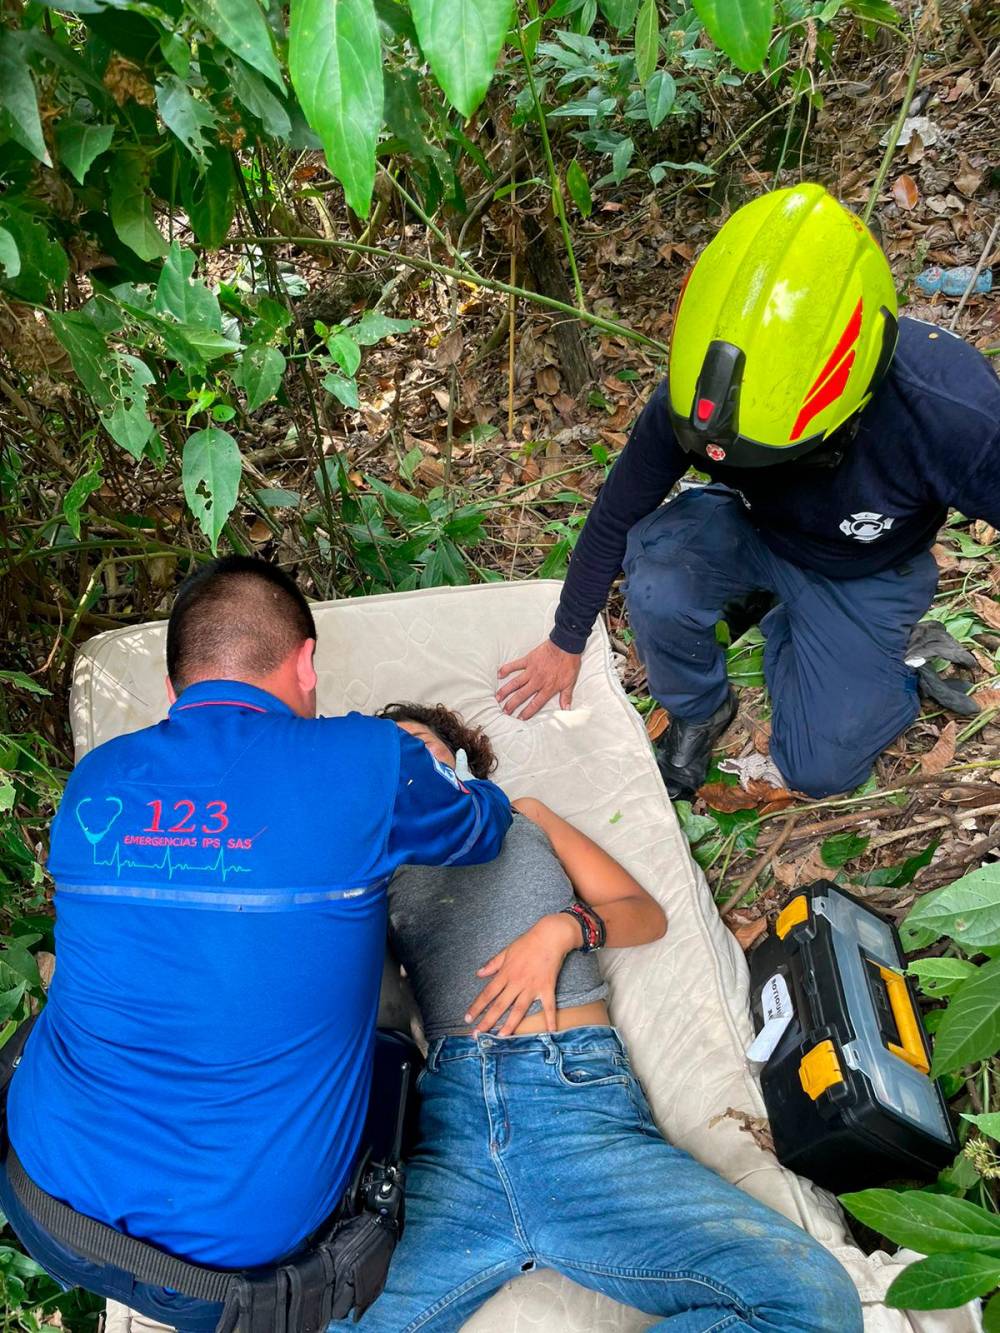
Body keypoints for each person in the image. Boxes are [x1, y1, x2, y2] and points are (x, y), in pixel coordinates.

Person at [0, 557, 512, 1331]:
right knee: (388, 1051)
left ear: (173, 689)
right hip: (230, 1276)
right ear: (306, 663)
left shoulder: (96, 779)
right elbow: (483, 825)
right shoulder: (370, 758)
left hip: (41, 1202)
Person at [337, 701, 863, 1332]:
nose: (409, 756)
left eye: (420, 740)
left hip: (579, 1109)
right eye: (390, 752)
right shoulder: (375, 865)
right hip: (455, 1133)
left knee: (810, 1302)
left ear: (459, 755)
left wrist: (563, 930)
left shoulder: (523, 815)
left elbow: (642, 912)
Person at [497, 182, 1000, 800]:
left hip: (866, 570)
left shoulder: (948, 412)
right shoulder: (694, 400)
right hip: (755, 531)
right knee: (656, 577)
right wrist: (565, 638)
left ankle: (857, 648)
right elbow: (614, 515)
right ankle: (701, 708)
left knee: (822, 771)